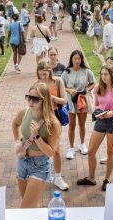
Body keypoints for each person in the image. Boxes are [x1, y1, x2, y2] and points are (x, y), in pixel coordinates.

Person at [12, 83, 61, 208]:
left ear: (44, 100)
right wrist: (18, 141)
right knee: (30, 207)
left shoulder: (53, 123)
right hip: (22, 161)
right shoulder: (25, 112)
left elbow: (50, 152)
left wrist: (37, 136)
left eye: (35, 99)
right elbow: (15, 124)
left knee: (24, 208)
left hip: (40, 166)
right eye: (29, 97)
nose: (30, 101)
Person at [77, 65, 113, 191]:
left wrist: (112, 113)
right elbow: (96, 105)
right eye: (102, 74)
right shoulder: (97, 88)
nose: (103, 77)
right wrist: (98, 111)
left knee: (110, 151)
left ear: (112, 75)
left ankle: (107, 180)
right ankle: (91, 178)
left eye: (106, 74)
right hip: (101, 120)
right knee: (91, 151)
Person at [36, 61, 69, 191]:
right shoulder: (37, 83)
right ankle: (40, 174)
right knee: (40, 146)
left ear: (50, 72)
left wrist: (51, 98)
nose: (43, 77)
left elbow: (64, 101)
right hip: (41, 117)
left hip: (54, 116)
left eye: (44, 74)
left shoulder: (58, 81)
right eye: (40, 75)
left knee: (55, 149)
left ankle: (58, 177)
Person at [61, 50, 96, 160]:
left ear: (81, 59)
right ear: (71, 59)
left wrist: (87, 90)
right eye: (75, 58)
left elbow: (93, 83)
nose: (77, 60)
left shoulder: (86, 71)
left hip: (82, 101)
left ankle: (82, 144)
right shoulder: (66, 72)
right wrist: (69, 90)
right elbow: (61, 86)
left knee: (82, 124)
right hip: (71, 101)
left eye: (79, 58)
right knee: (71, 125)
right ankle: (71, 148)